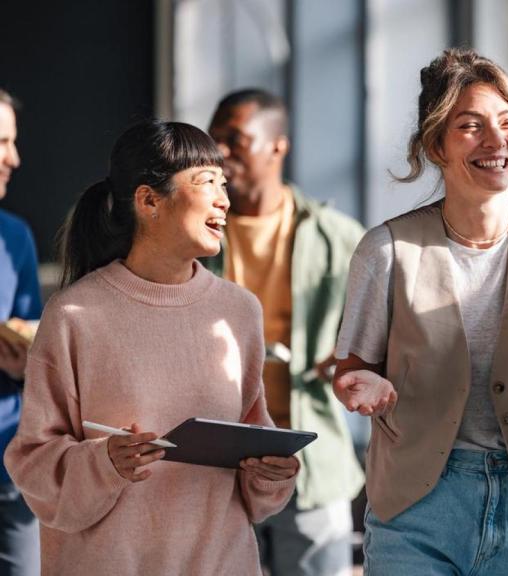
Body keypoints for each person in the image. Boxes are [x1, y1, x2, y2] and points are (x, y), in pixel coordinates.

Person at [331, 47, 508, 575]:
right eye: (470, 126)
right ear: (435, 144)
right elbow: (351, 372)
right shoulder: (385, 251)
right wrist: (363, 386)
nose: (495, 141)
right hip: (414, 506)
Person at [3, 119, 298, 575]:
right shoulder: (74, 316)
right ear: (148, 202)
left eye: (223, 182)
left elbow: (253, 465)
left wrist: (270, 475)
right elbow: (34, 467)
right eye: (206, 182)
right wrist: (104, 462)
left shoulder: (239, 312)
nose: (224, 198)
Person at [205, 88, 366, 576]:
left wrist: (352, 359)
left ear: (278, 145)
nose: (221, 153)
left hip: (310, 460)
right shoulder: (196, 235)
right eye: (215, 141)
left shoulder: (338, 238)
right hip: (216, 461)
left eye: (235, 139)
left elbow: (379, 339)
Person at [0, 89, 42, 576]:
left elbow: (35, 336)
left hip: (10, 464)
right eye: (2, 141)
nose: (14, 157)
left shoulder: (15, 237)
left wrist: (27, 353)